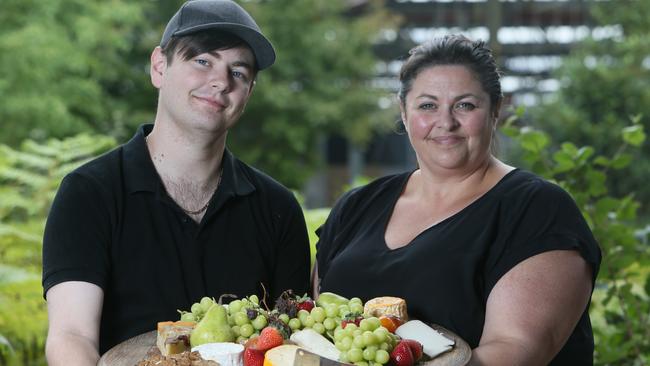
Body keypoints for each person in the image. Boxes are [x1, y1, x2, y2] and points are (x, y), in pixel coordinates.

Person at [42, 1, 311, 364]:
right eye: (202, 61)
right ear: (159, 67)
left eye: (239, 72)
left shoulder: (278, 209)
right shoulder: (89, 193)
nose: (220, 81)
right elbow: (71, 336)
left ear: (248, 92)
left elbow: (292, 345)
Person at [314, 35, 601, 365]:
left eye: (465, 105)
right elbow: (315, 327)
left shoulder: (537, 209)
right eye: (427, 105)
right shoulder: (356, 207)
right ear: (404, 114)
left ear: (495, 110)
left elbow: (515, 351)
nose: (445, 122)